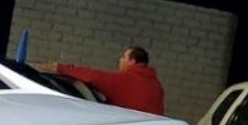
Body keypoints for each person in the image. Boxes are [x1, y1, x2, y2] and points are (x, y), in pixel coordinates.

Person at [35, 47, 165, 115]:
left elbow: (93, 76)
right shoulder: (156, 85)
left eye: (124, 57)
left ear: (132, 61)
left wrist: (60, 67)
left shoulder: (126, 81)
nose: (120, 60)